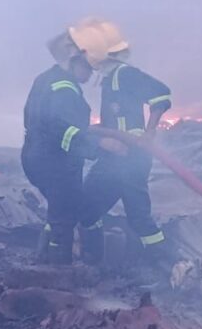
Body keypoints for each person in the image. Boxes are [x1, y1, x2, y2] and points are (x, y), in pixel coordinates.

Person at [21, 26, 127, 264]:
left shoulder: (49, 78)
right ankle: (59, 268)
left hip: (37, 157)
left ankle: (43, 257)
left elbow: (51, 123)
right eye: (88, 67)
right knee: (64, 217)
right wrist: (101, 143)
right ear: (74, 60)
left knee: (59, 210)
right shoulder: (65, 90)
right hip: (55, 163)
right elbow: (64, 130)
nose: (90, 74)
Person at [73, 18, 172, 266]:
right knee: (87, 208)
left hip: (131, 156)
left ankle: (165, 265)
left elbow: (161, 94)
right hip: (113, 158)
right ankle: (94, 261)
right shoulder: (110, 80)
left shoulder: (126, 74)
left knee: (139, 216)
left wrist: (149, 132)